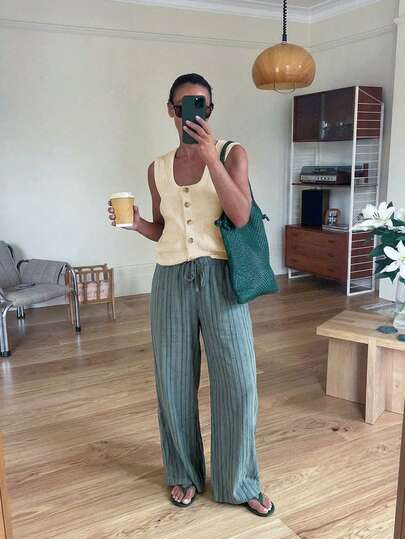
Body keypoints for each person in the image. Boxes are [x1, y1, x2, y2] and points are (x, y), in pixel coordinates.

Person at [108, 73, 274, 517]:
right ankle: (182, 472)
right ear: (171, 110)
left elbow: (241, 216)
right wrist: (136, 223)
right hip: (170, 279)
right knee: (173, 381)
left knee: (238, 382)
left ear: (210, 110)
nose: (192, 113)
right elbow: (163, 230)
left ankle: (239, 480)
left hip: (222, 278)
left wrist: (210, 157)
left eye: (202, 104)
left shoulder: (231, 153)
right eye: (184, 105)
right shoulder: (157, 168)